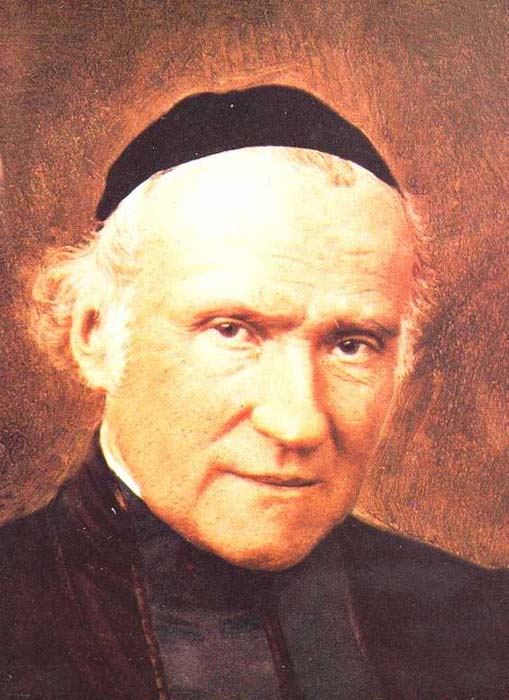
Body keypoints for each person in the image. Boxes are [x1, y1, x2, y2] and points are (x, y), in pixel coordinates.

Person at [1, 86, 506, 700]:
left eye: (351, 344)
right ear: (95, 335)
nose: (298, 423)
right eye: (233, 331)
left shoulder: (481, 624)